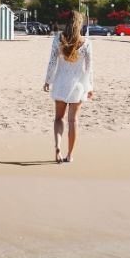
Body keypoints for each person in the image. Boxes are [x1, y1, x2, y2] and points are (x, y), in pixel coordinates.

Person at [43, 10, 93, 163]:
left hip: (60, 84)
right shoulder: (86, 43)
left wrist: (48, 81)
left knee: (58, 119)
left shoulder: (58, 38)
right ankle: (70, 155)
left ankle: (58, 147)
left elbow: (52, 62)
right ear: (80, 24)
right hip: (77, 86)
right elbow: (89, 68)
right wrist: (90, 87)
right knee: (73, 121)